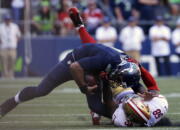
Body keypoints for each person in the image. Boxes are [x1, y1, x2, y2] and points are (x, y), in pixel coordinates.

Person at [0, 8, 143, 118]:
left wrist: (149, 93)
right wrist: (83, 87)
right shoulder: (107, 60)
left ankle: (123, 117)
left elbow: (134, 82)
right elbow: (75, 67)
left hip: (95, 69)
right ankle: (12, 101)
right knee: (42, 90)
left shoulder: (125, 66)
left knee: (97, 107)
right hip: (73, 64)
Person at [0, 14, 21, 78]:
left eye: (8, 20)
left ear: (10, 20)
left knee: (12, 60)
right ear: (4, 20)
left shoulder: (15, 26)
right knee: (4, 61)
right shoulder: (1, 27)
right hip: (3, 47)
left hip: (12, 47)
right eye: (6, 20)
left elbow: (19, 35)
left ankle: (11, 75)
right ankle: (4, 75)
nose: (7, 21)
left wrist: (16, 42)